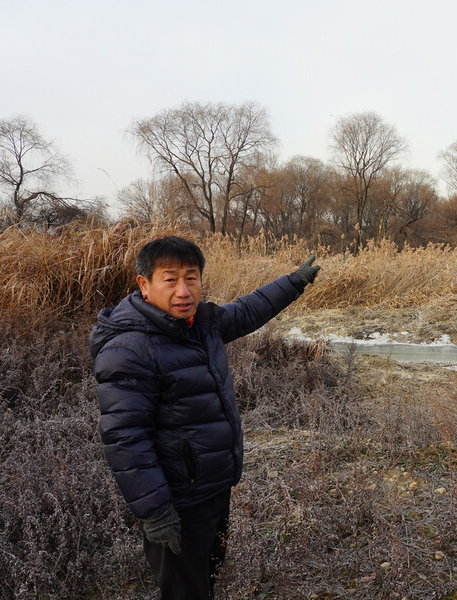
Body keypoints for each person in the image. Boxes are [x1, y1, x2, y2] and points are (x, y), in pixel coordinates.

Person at [90, 235, 320, 599]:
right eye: (170, 279)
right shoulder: (128, 349)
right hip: (176, 499)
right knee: (184, 589)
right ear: (144, 285)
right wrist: (155, 510)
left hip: (211, 485)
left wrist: (293, 282)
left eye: (191, 278)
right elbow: (126, 437)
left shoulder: (200, 324)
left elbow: (248, 309)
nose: (184, 290)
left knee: (205, 577)